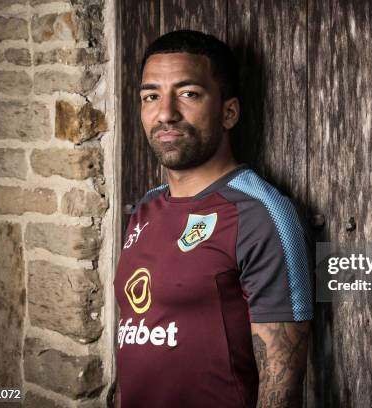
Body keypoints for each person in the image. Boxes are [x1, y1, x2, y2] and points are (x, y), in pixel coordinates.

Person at [113, 29, 314, 408]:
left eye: (188, 94)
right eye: (150, 96)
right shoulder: (144, 209)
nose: (165, 113)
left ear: (229, 112)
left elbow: (281, 384)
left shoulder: (261, 214)